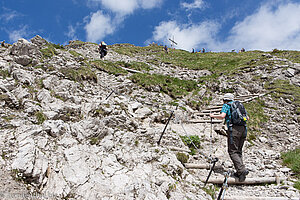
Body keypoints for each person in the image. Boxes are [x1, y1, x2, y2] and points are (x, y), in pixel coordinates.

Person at [210, 93, 249, 182]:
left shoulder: (226, 105)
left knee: (232, 151)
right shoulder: (240, 105)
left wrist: (213, 116)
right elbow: (247, 118)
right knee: (238, 151)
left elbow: (222, 116)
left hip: (233, 129)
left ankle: (242, 170)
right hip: (243, 129)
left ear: (225, 99)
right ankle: (240, 172)